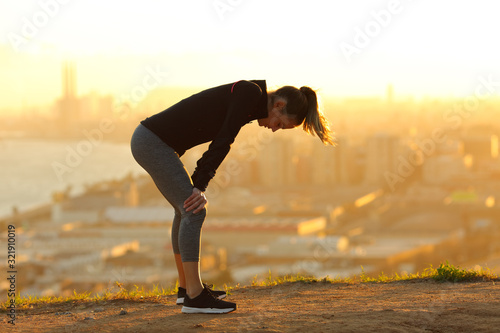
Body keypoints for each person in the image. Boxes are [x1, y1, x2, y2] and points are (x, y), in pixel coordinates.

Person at [130, 80, 334, 314]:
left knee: (184, 209)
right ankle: (194, 297)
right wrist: (199, 185)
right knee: (194, 210)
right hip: (153, 142)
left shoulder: (249, 98)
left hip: (151, 140)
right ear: (278, 104)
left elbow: (221, 137)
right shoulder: (249, 93)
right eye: (280, 123)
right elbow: (224, 139)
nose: (275, 129)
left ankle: (186, 289)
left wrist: (197, 184)